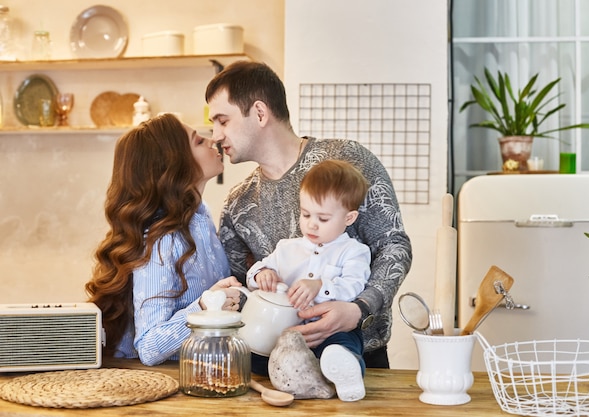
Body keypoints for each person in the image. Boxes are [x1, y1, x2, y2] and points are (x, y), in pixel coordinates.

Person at [205, 61, 413, 370]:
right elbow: (238, 289)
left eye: (223, 120)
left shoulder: (348, 160)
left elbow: (394, 246)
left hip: (356, 359)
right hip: (274, 367)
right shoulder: (237, 203)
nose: (215, 135)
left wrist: (359, 308)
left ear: (260, 113)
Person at [85, 113, 242, 366]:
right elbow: (149, 345)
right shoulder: (163, 241)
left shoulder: (202, 218)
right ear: (176, 165)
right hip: (152, 386)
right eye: (198, 141)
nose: (212, 138)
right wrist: (204, 307)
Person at [247, 159, 370, 401]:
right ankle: (288, 377)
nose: (312, 224)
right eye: (306, 214)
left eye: (323, 218)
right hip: (286, 333)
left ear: (349, 217)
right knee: (256, 354)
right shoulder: (286, 249)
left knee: (343, 346)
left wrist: (320, 285)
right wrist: (263, 274)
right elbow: (253, 274)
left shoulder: (354, 251)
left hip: (331, 332)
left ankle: (346, 372)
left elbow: (353, 287)